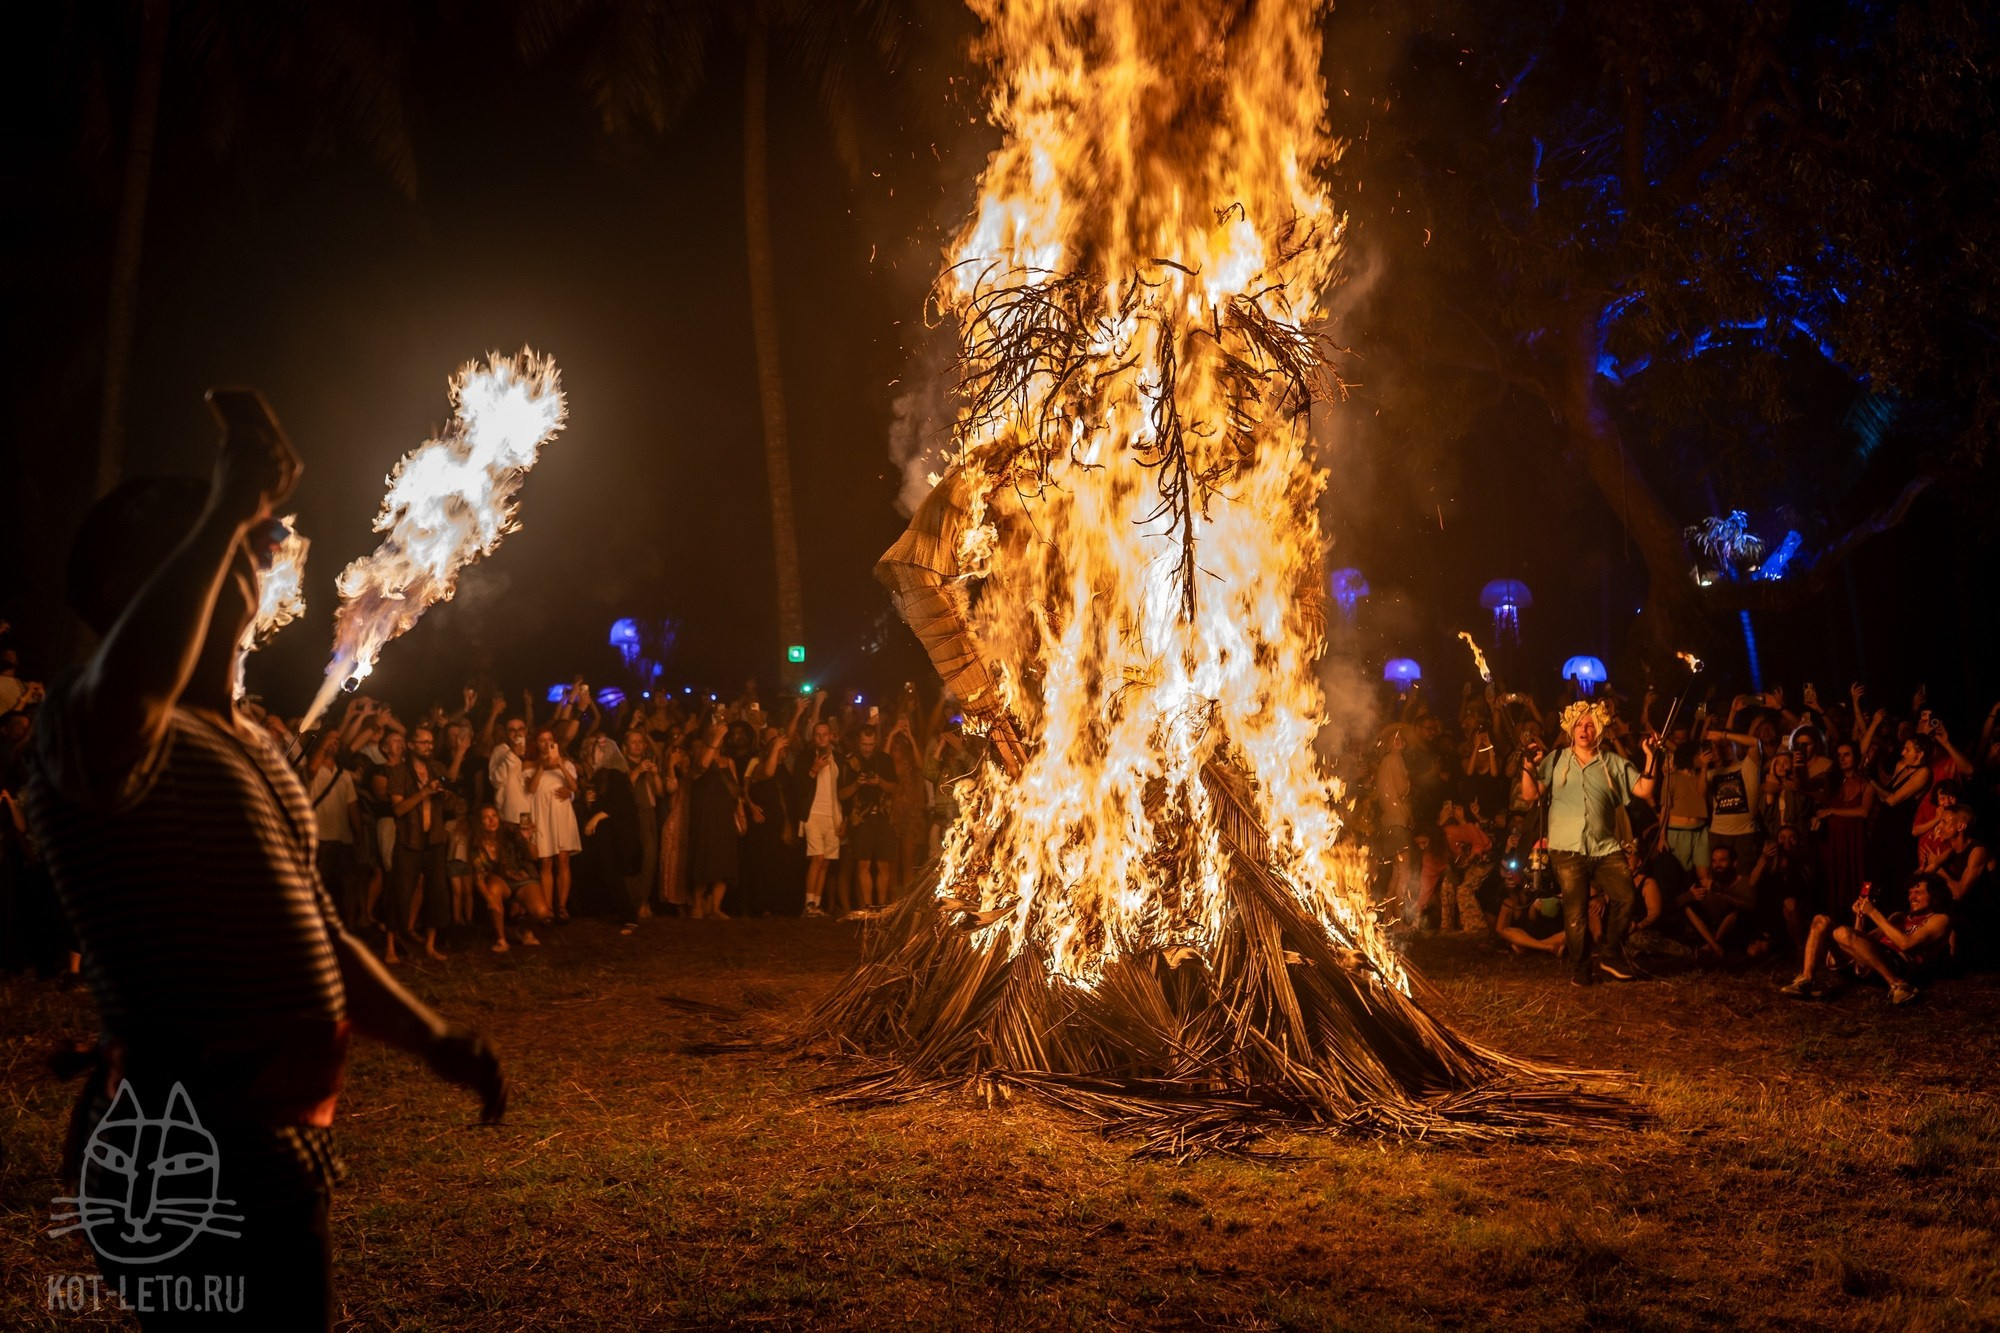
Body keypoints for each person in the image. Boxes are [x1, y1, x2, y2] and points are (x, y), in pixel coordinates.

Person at [19, 403, 501, 1329]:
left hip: (274, 1145)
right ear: (137, 584)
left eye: (242, 535)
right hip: (184, 1147)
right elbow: (127, 687)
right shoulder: (88, 722)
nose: (248, 551)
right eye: (212, 538)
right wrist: (233, 498)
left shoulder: (250, 743)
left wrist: (434, 1038)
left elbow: (321, 931)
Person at [1517, 698, 1661, 985]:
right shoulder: (1556, 760)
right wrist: (1526, 765)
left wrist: (1651, 756)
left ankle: (1609, 954)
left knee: (1626, 896)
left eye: (1591, 725)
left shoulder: (1613, 763)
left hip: (1605, 846)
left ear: (1600, 730)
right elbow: (1530, 795)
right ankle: (1581, 967)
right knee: (1576, 909)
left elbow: (1644, 788)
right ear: (1571, 729)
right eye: (1580, 725)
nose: (1585, 730)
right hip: (1567, 848)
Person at [1782, 873, 1952, 1004]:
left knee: (1841, 932)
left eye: (1919, 892)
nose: (1912, 897)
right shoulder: (1898, 916)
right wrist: (1860, 917)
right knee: (1821, 920)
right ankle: (1806, 980)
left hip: (1896, 963)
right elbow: (1860, 940)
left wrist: (1873, 912)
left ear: (1934, 896)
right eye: (1911, 892)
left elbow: (1906, 944)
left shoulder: (1939, 919)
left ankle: (1898, 984)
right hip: (1867, 962)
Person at [385, 724, 455, 962]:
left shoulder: (437, 768)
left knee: (437, 893)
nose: (429, 746)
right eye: (423, 742)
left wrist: (446, 795)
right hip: (409, 841)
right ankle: (390, 948)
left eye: (431, 742)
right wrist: (424, 792)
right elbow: (398, 809)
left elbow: (447, 807)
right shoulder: (398, 773)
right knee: (400, 894)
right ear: (411, 745)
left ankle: (431, 946)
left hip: (434, 840)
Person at [685, 719, 742, 919]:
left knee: (724, 861)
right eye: (712, 732)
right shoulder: (701, 756)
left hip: (724, 815)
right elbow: (702, 766)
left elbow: (736, 791)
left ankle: (716, 907)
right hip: (706, 816)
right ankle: (698, 904)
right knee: (704, 859)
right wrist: (715, 738)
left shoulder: (729, 762)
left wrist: (740, 813)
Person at [523, 728, 581, 921]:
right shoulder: (530, 765)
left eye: (549, 740)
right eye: (542, 740)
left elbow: (574, 787)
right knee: (546, 862)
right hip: (542, 816)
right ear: (536, 743)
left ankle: (562, 907)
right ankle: (547, 908)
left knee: (563, 860)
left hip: (561, 814)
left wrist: (559, 765)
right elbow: (530, 789)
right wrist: (543, 765)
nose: (546, 743)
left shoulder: (566, 763)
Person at [470, 803, 545, 952]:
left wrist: (528, 839)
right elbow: (478, 877)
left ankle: (522, 930)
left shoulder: (511, 832)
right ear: (480, 822)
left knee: (542, 912)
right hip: (500, 880)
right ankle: (501, 939)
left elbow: (534, 856)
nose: (491, 821)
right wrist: (490, 899)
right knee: (493, 889)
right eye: (486, 818)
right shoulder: (476, 843)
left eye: (494, 816)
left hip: (522, 877)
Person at [841, 725, 899, 909]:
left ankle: (881, 907)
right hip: (861, 819)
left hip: (883, 817)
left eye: (871, 744)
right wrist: (857, 784)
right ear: (858, 742)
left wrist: (879, 782)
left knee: (884, 865)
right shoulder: (850, 762)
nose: (867, 748)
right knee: (862, 864)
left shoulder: (884, 760)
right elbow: (841, 794)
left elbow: (894, 788)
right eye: (865, 744)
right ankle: (867, 906)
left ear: (876, 743)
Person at [799, 719, 843, 917]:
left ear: (831, 736)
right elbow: (797, 786)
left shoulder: (839, 759)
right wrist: (813, 770)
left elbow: (842, 789)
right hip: (813, 814)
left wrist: (845, 819)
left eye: (825, 734)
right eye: (818, 734)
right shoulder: (806, 756)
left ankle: (816, 905)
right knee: (817, 858)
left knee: (825, 861)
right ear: (813, 737)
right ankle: (808, 904)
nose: (822, 738)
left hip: (833, 815)